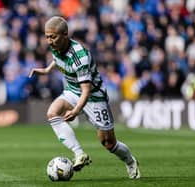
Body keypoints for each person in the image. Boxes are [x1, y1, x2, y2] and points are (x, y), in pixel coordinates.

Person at [29, 16, 140, 179]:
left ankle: (130, 161)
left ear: (65, 34)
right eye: (47, 37)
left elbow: (86, 90)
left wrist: (75, 110)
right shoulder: (56, 46)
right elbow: (58, 59)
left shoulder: (79, 56)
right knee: (52, 113)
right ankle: (79, 153)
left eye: (53, 37)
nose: (49, 41)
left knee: (109, 143)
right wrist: (46, 70)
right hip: (73, 91)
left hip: (94, 97)